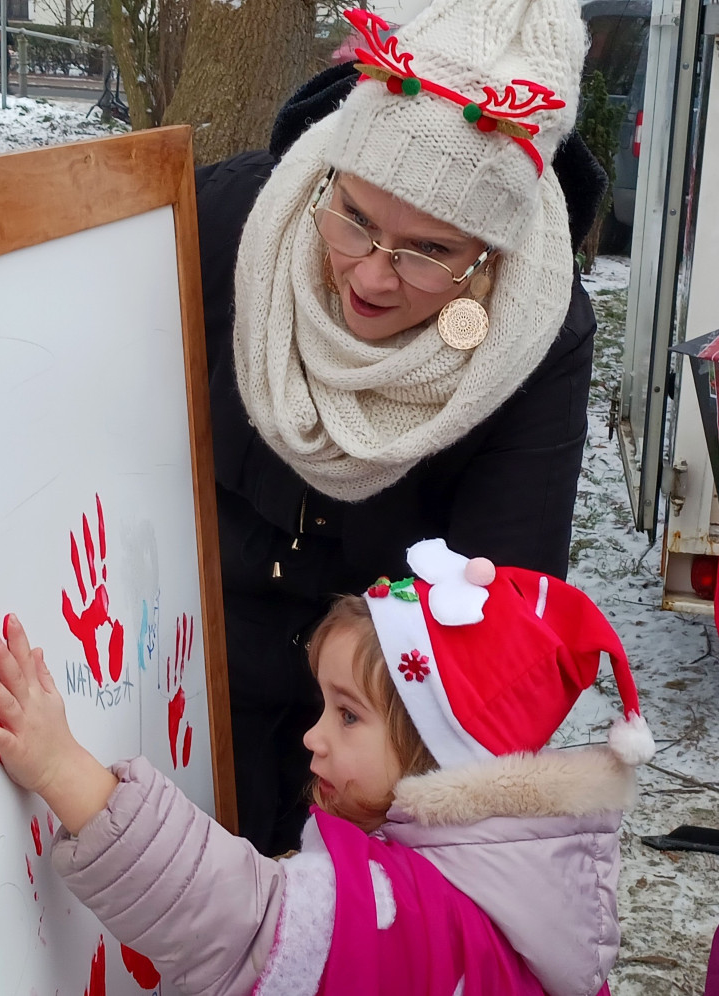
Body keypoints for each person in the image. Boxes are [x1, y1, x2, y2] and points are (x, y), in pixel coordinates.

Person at [194, 0, 609, 854]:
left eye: (431, 251)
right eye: (354, 218)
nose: (373, 276)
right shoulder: (227, 219)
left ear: (492, 253)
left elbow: (504, 615)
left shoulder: (542, 338)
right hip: (190, 681)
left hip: (383, 730)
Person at [0, 537, 656, 996]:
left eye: (348, 715)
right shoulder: (506, 881)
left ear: (436, 752)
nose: (313, 737)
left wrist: (62, 768)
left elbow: (242, 921)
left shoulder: (418, 914)